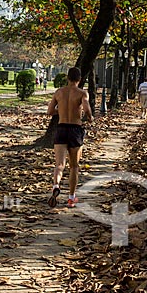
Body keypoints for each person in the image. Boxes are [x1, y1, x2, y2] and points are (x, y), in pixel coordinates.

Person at [47, 67, 93, 209]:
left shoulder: (59, 92)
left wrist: (60, 110)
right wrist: (90, 117)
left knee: (59, 164)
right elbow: (86, 109)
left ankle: (56, 185)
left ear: (67, 78)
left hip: (61, 129)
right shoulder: (82, 93)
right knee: (74, 166)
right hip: (75, 130)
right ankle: (71, 198)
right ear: (79, 79)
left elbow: (49, 111)